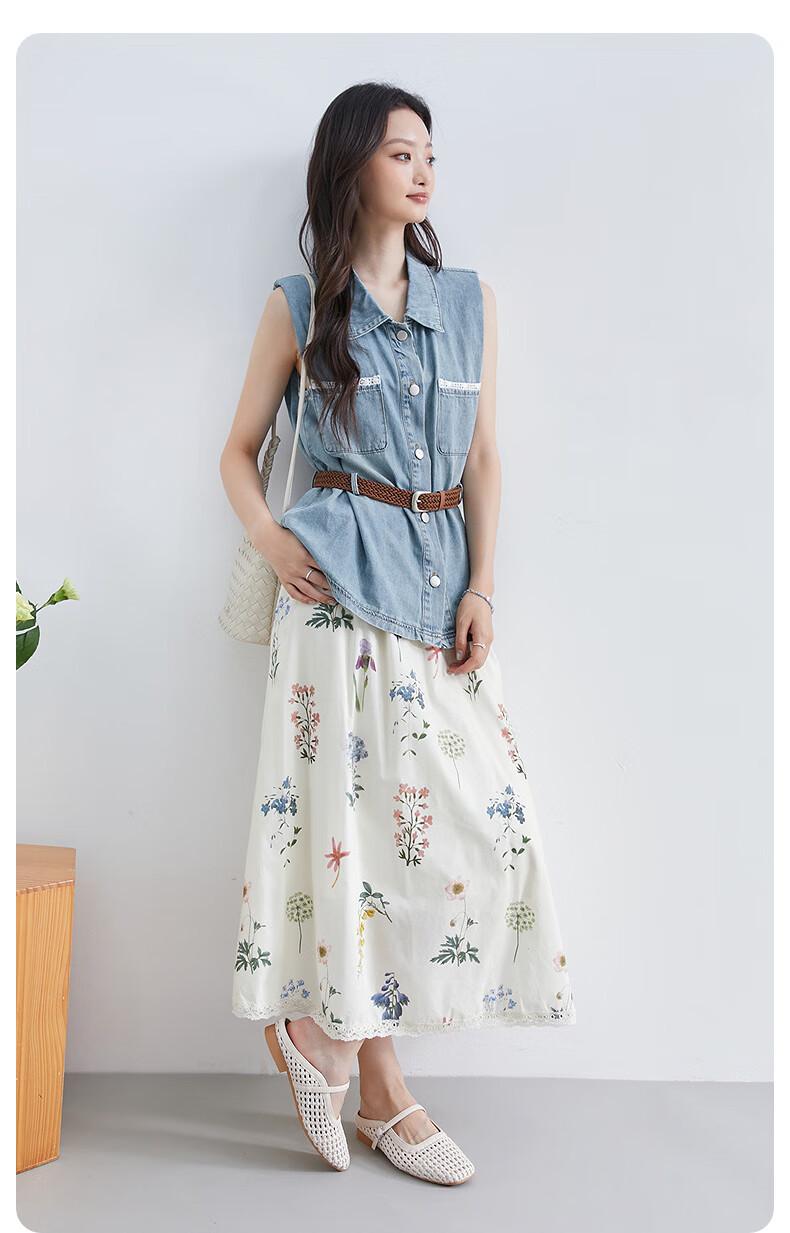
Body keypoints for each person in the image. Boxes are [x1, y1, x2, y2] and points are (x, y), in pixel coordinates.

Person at [220, 81, 575, 1184]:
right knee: (357, 836)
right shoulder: (297, 305)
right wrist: (271, 538)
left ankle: (326, 1043)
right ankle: (379, 1085)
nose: (422, 171)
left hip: (437, 594)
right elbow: (236, 450)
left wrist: (483, 587)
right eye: (399, 152)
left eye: (429, 153)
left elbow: (483, 457)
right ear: (351, 168)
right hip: (331, 592)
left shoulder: (469, 301)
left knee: (484, 829)